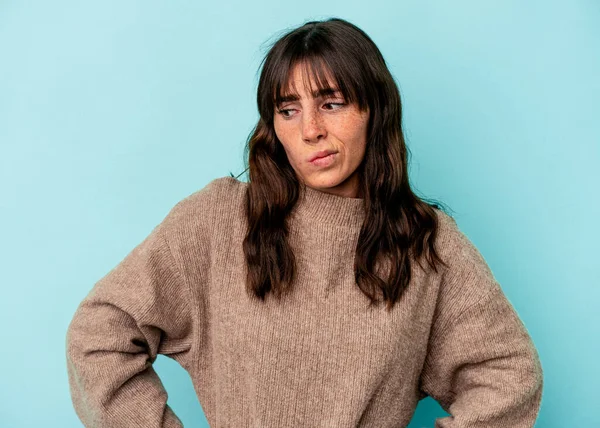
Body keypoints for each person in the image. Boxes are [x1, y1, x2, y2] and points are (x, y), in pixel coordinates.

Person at [66, 17, 543, 427]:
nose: (310, 128)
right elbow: (101, 332)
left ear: (374, 110)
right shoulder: (218, 220)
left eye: (331, 103)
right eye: (288, 110)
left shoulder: (425, 242)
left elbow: (507, 373)